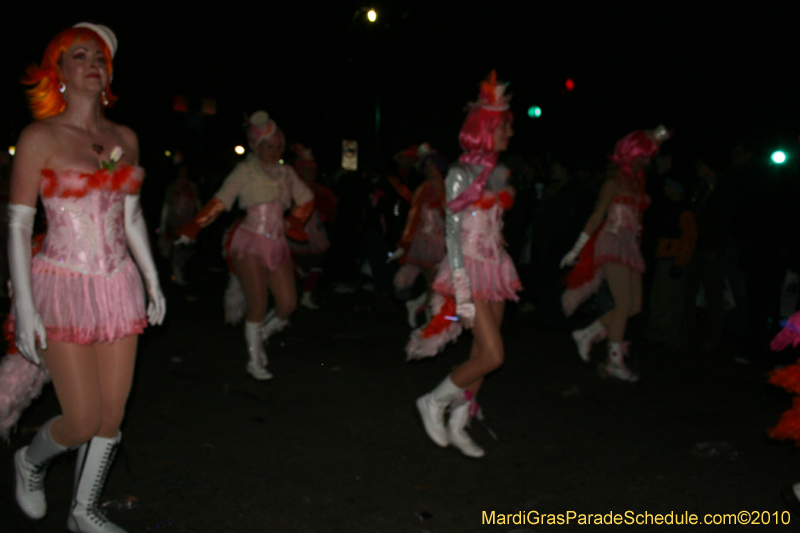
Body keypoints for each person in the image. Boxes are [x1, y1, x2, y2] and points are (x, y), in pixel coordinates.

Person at [9, 23, 166, 533]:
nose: (92, 63)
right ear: (58, 71)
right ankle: (29, 464)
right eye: (80, 55)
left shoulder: (124, 138)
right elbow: (16, 224)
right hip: (62, 281)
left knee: (110, 417)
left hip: (117, 283)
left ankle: (83, 511)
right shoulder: (40, 137)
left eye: (99, 57)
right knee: (79, 421)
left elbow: (133, 216)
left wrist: (152, 279)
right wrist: (27, 308)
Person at [407, 71, 521, 458]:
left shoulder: (501, 173)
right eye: (505, 126)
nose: (511, 132)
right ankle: (434, 401)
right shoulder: (459, 173)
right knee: (494, 354)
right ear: (488, 128)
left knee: (480, 355)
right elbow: (452, 234)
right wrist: (460, 285)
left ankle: (459, 421)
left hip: (495, 267)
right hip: (467, 268)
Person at [178, 111, 313, 380]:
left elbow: (307, 198)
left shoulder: (286, 173)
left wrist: (293, 222)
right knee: (258, 304)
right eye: (269, 145)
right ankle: (254, 360)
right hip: (249, 241)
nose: (275, 151)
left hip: (277, 243)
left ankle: (260, 335)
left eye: (278, 146)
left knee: (288, 304)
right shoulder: (245, 170)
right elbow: (220, 201)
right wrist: (193, 227)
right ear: (256, 145)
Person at [561, 126, 669, 382]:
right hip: (611, 243)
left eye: (648, 156)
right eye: (641, 155)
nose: (645, 160)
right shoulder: (613, 182)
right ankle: (613, 361)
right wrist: (576, 249)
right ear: (629, 153)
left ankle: (588, 333)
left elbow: (639, 218)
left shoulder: (638, 182)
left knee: (634, 307)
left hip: (630, 245)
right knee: (622, 305)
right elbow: (597, 216)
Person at [390, 150, 448, 328]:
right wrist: (405, 242)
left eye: (434, 165)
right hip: (426, 240)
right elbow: (413, 216)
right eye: (427, 166)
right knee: (434, 282)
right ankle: (430, 319)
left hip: (442, 239)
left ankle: (416, 305)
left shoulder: (447, 185)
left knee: (440, 283)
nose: (431, 169)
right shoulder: (424, 188)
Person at [287, 143, 336, 310]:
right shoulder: (294, 188)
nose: (311, 173)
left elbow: (330, 205)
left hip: (315, 229)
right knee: (301, 265)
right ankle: (291, 291)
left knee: (315, 264)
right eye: (308, 170)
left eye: (313, 170)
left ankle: (306, 296)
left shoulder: (318, 189)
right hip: (299, 229)